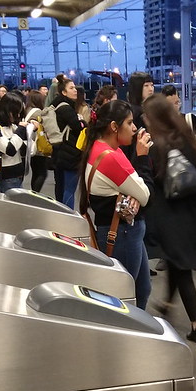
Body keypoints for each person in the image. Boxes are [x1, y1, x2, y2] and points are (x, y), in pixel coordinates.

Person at [143, 94, 196, 343]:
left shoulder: (157, 146)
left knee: (182, 270)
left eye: (147, 118)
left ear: (155, 119)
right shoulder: (188, 141)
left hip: (172, 219)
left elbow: (151, 184)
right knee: (177, 264)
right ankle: (167, 304)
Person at [79, 100, 154, 309]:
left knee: (142, 288)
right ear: (114, 126)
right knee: (126, 297)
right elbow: (146, 194)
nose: (134, 128)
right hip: (122, 235)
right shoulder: (111, 157)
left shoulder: (100, 147)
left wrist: (135, 192)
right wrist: (142, 157)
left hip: (123, 232)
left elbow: (135, 187)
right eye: (129, 123)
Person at [50, 77, 86, 207]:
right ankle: (68, 216)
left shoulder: (57, 106)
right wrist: (82, 121)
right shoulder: (65, 108)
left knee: (61, 187)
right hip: (70, 154)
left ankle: (61, 214)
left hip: (60, 152)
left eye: (75, 87)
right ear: (64, 93)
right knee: (69, 189)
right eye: (71, 88)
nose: (75, 90)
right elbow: (79, 126)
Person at [0, 92, 28, 193]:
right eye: (15, 112)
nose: (17, 115)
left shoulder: (12, 127)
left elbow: (29, 149)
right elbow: (10, 149)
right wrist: (21, 129)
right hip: (5, 177)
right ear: (7, 111)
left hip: (17, 174)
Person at [24, 89, 49, 193]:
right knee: (42, 173)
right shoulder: (38, 112)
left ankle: (34, 192)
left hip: (30, 145)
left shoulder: (28, 110)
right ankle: (35, 193)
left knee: (36, 172)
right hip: (38, 146)